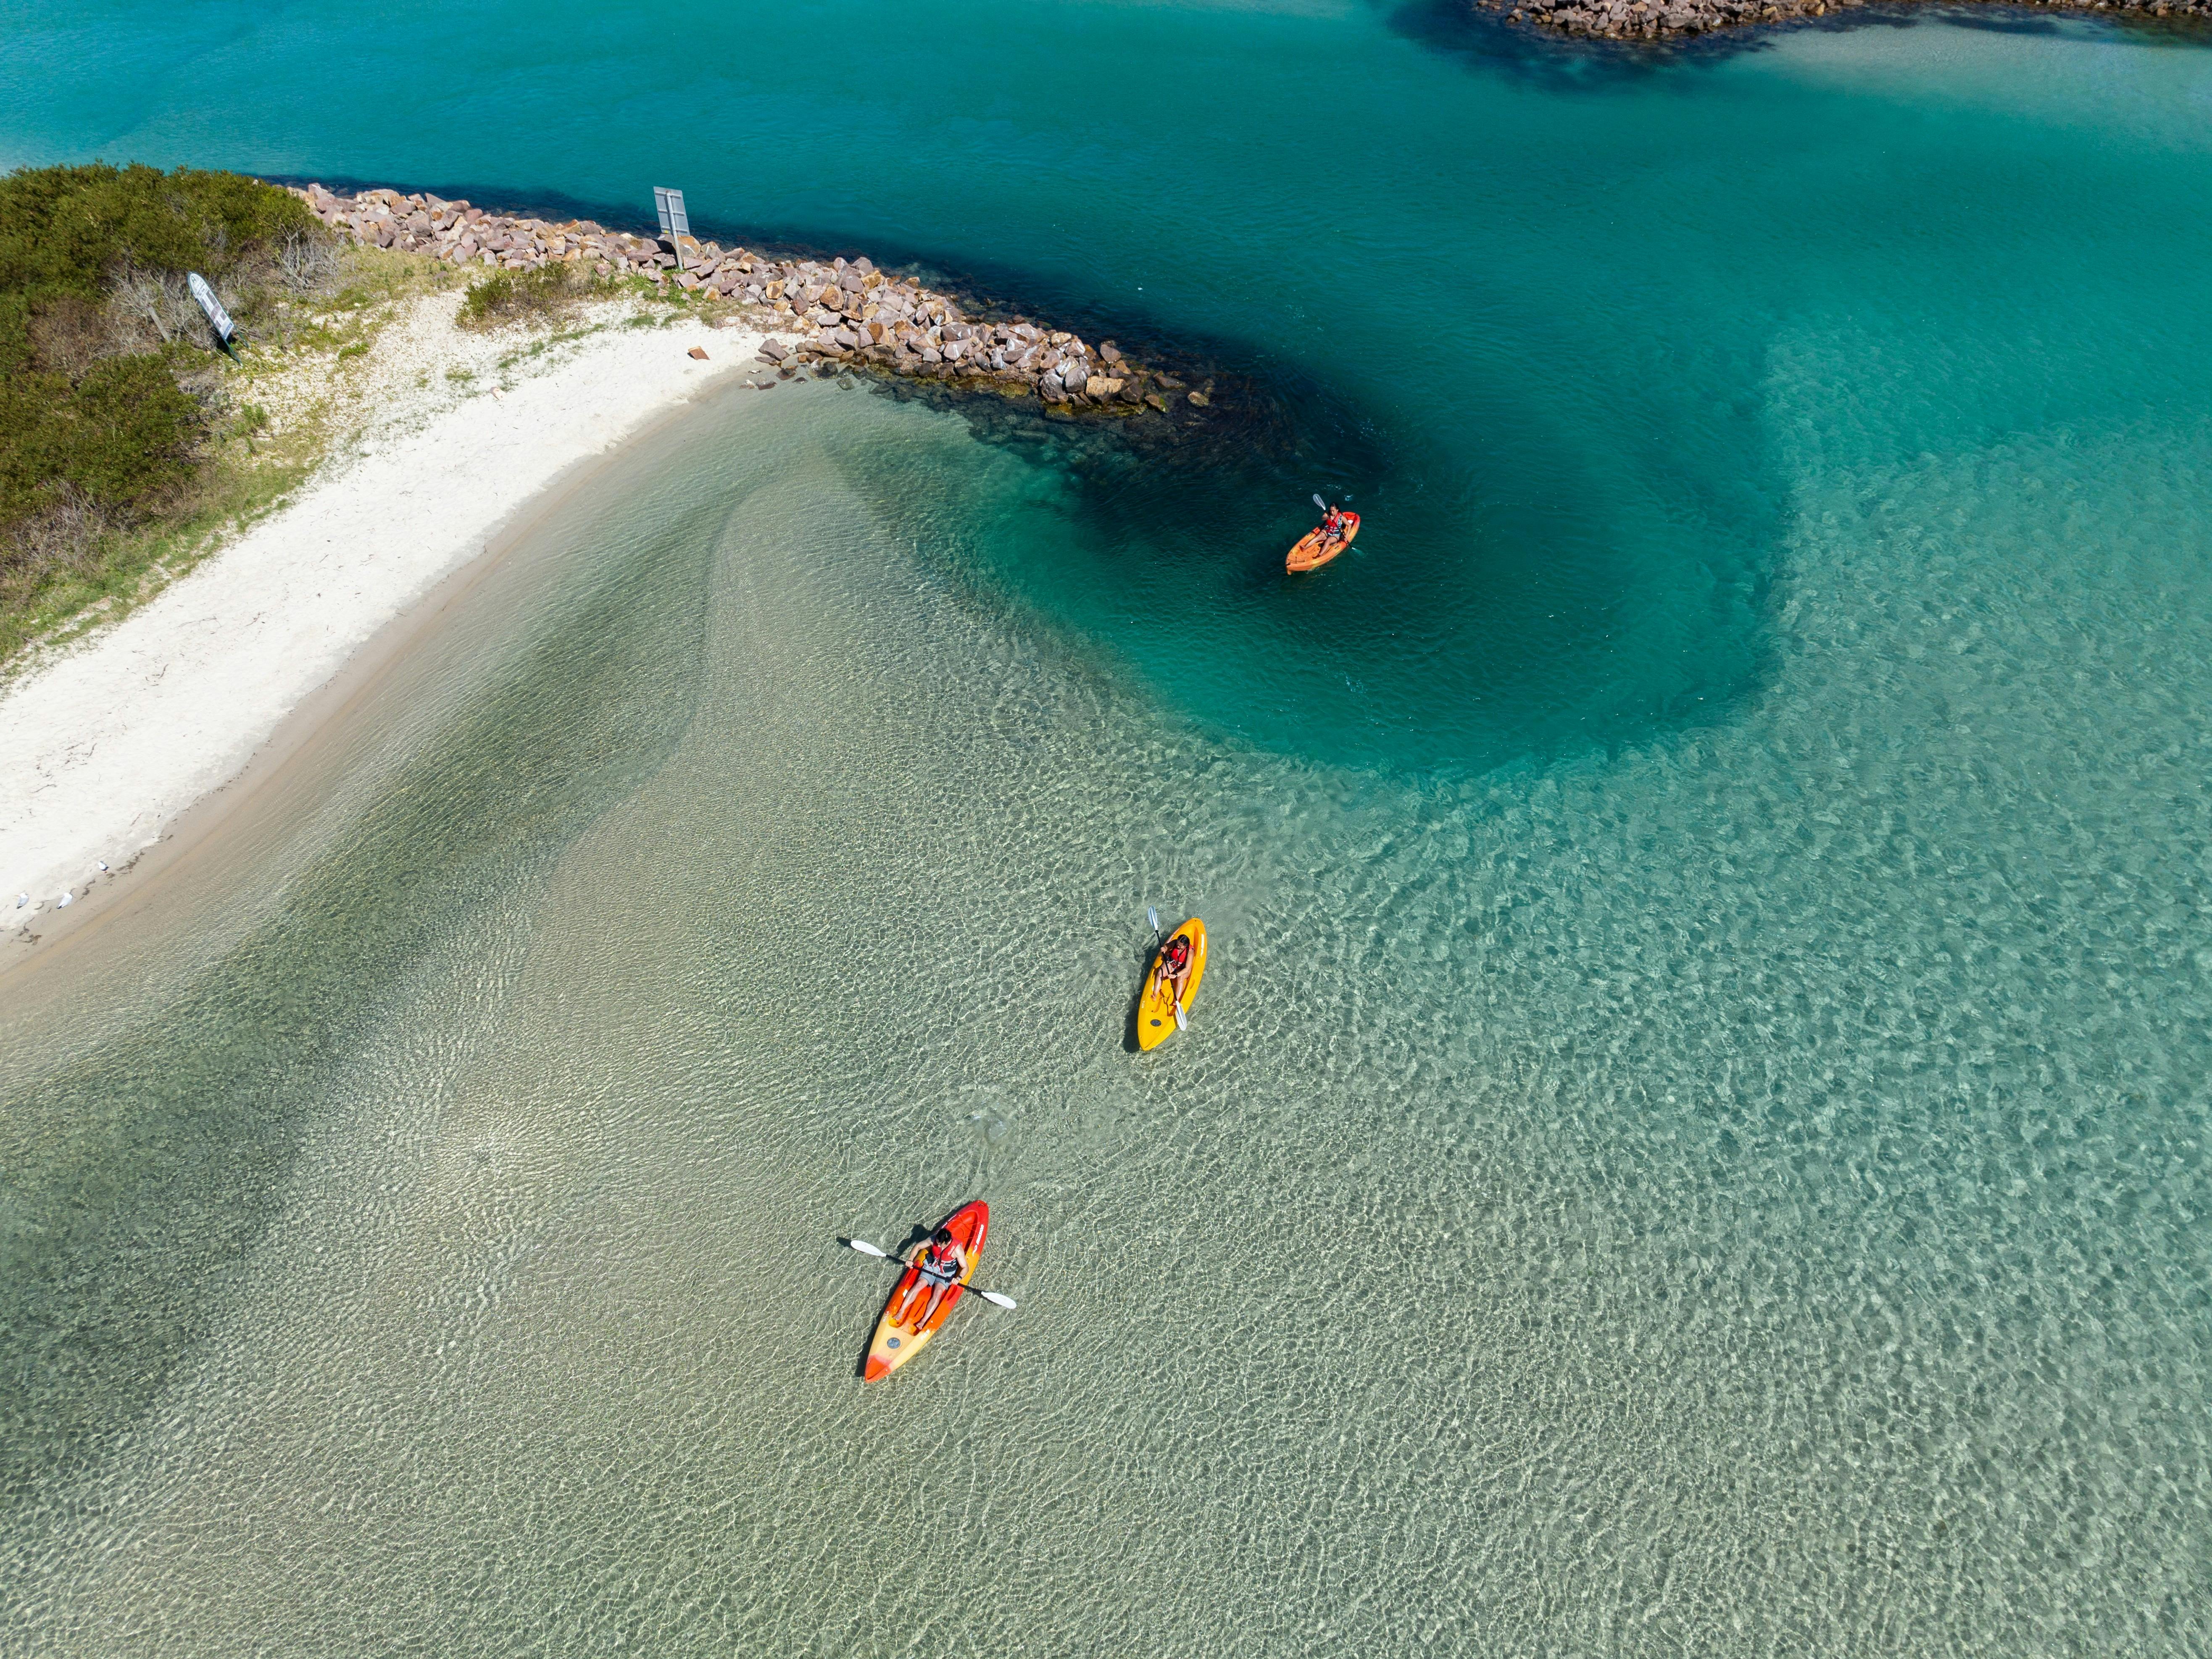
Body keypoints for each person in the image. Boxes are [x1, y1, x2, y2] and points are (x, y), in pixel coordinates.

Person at [893, 1225, 969, 1330]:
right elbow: (918, 1247)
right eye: (937, 1243)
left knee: (938, 1292)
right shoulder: (933, 1239)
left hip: (946, 1273)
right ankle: (901, 1311)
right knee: (919, 1285)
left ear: (947, 1243)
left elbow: (966, 1267)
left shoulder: (957, 1250)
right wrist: (911, 1259)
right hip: (931, 1267)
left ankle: (923, 1321)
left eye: (941, 1245)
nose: (938, 1246)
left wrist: (959, 1278)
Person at [1155, 930, 1195, 1014]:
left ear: (1186, 946)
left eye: (1180, 946)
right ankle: (1155, 995)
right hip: (1173, 964)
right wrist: (1164, 948)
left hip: (1183, 970)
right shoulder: (1175, 943)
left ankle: (1176, 1001)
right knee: (1160, 972)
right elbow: (1167, 946)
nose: (1178, 947)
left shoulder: (1190, 952)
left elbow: (1187, 969)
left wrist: (1176, 975)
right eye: (1177, 945)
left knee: (1180, 978)